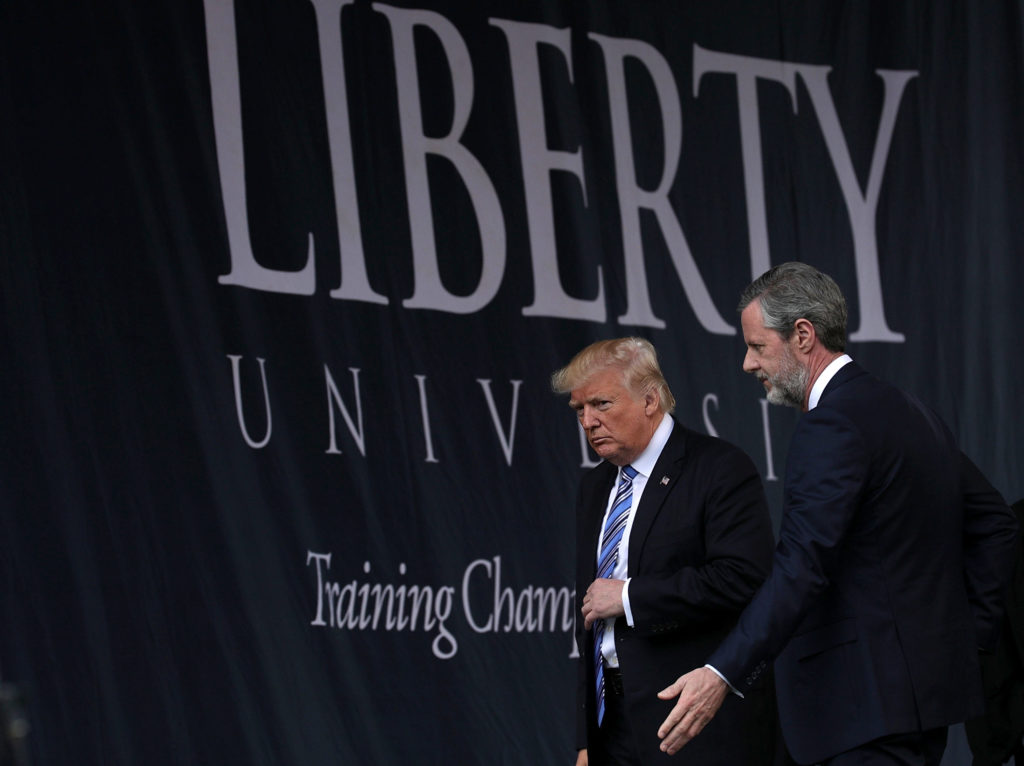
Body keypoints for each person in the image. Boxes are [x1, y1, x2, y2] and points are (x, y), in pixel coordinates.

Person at [656, 262, 1020, 765]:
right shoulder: (911, 412)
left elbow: (802, 566)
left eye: (758, 346)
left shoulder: (833, 423)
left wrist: (720, 673)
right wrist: (963, 641)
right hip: (915, 709)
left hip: (858, 716)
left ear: (802, 335)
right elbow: (997, 524)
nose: (746, 363)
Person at [552, 337, 777, 765]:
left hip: (692, 723)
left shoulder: (718, 468)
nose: (588, 421)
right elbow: (592, 625)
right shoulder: (595, 486)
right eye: (579, 409)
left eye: (601, 403)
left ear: (650, 399)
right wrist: (586, 740)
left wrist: (629, 596)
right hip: (612, 727)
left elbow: (744, 577)